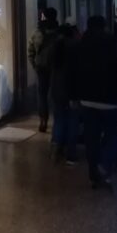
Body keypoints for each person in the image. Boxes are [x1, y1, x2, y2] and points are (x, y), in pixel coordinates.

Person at [73, 15, 117, 189]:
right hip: (110, 99)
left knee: (91, 139)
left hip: (87, 99)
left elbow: (75, 72)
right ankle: (105, 164)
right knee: (114, 136)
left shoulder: (81, 45)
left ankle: (94, 175)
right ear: (104, 26)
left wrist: (75, 96)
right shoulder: (113, 44)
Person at [49, 21, 79, 163]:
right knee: (73, 121)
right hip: (72, 90)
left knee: (59, 120)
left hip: (56, 90)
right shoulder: (74, 47)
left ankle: (55, 150)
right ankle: (71, 155)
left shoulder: (55, 48)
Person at [28, 6, 59, 132]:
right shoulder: (58, 33)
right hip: (56, 68)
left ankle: (43, 120)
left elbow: (30, 51)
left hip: (41, 68)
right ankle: (58, 122)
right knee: (55, 94)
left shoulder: (37, 33)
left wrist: (35, 65)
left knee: (42, 95)